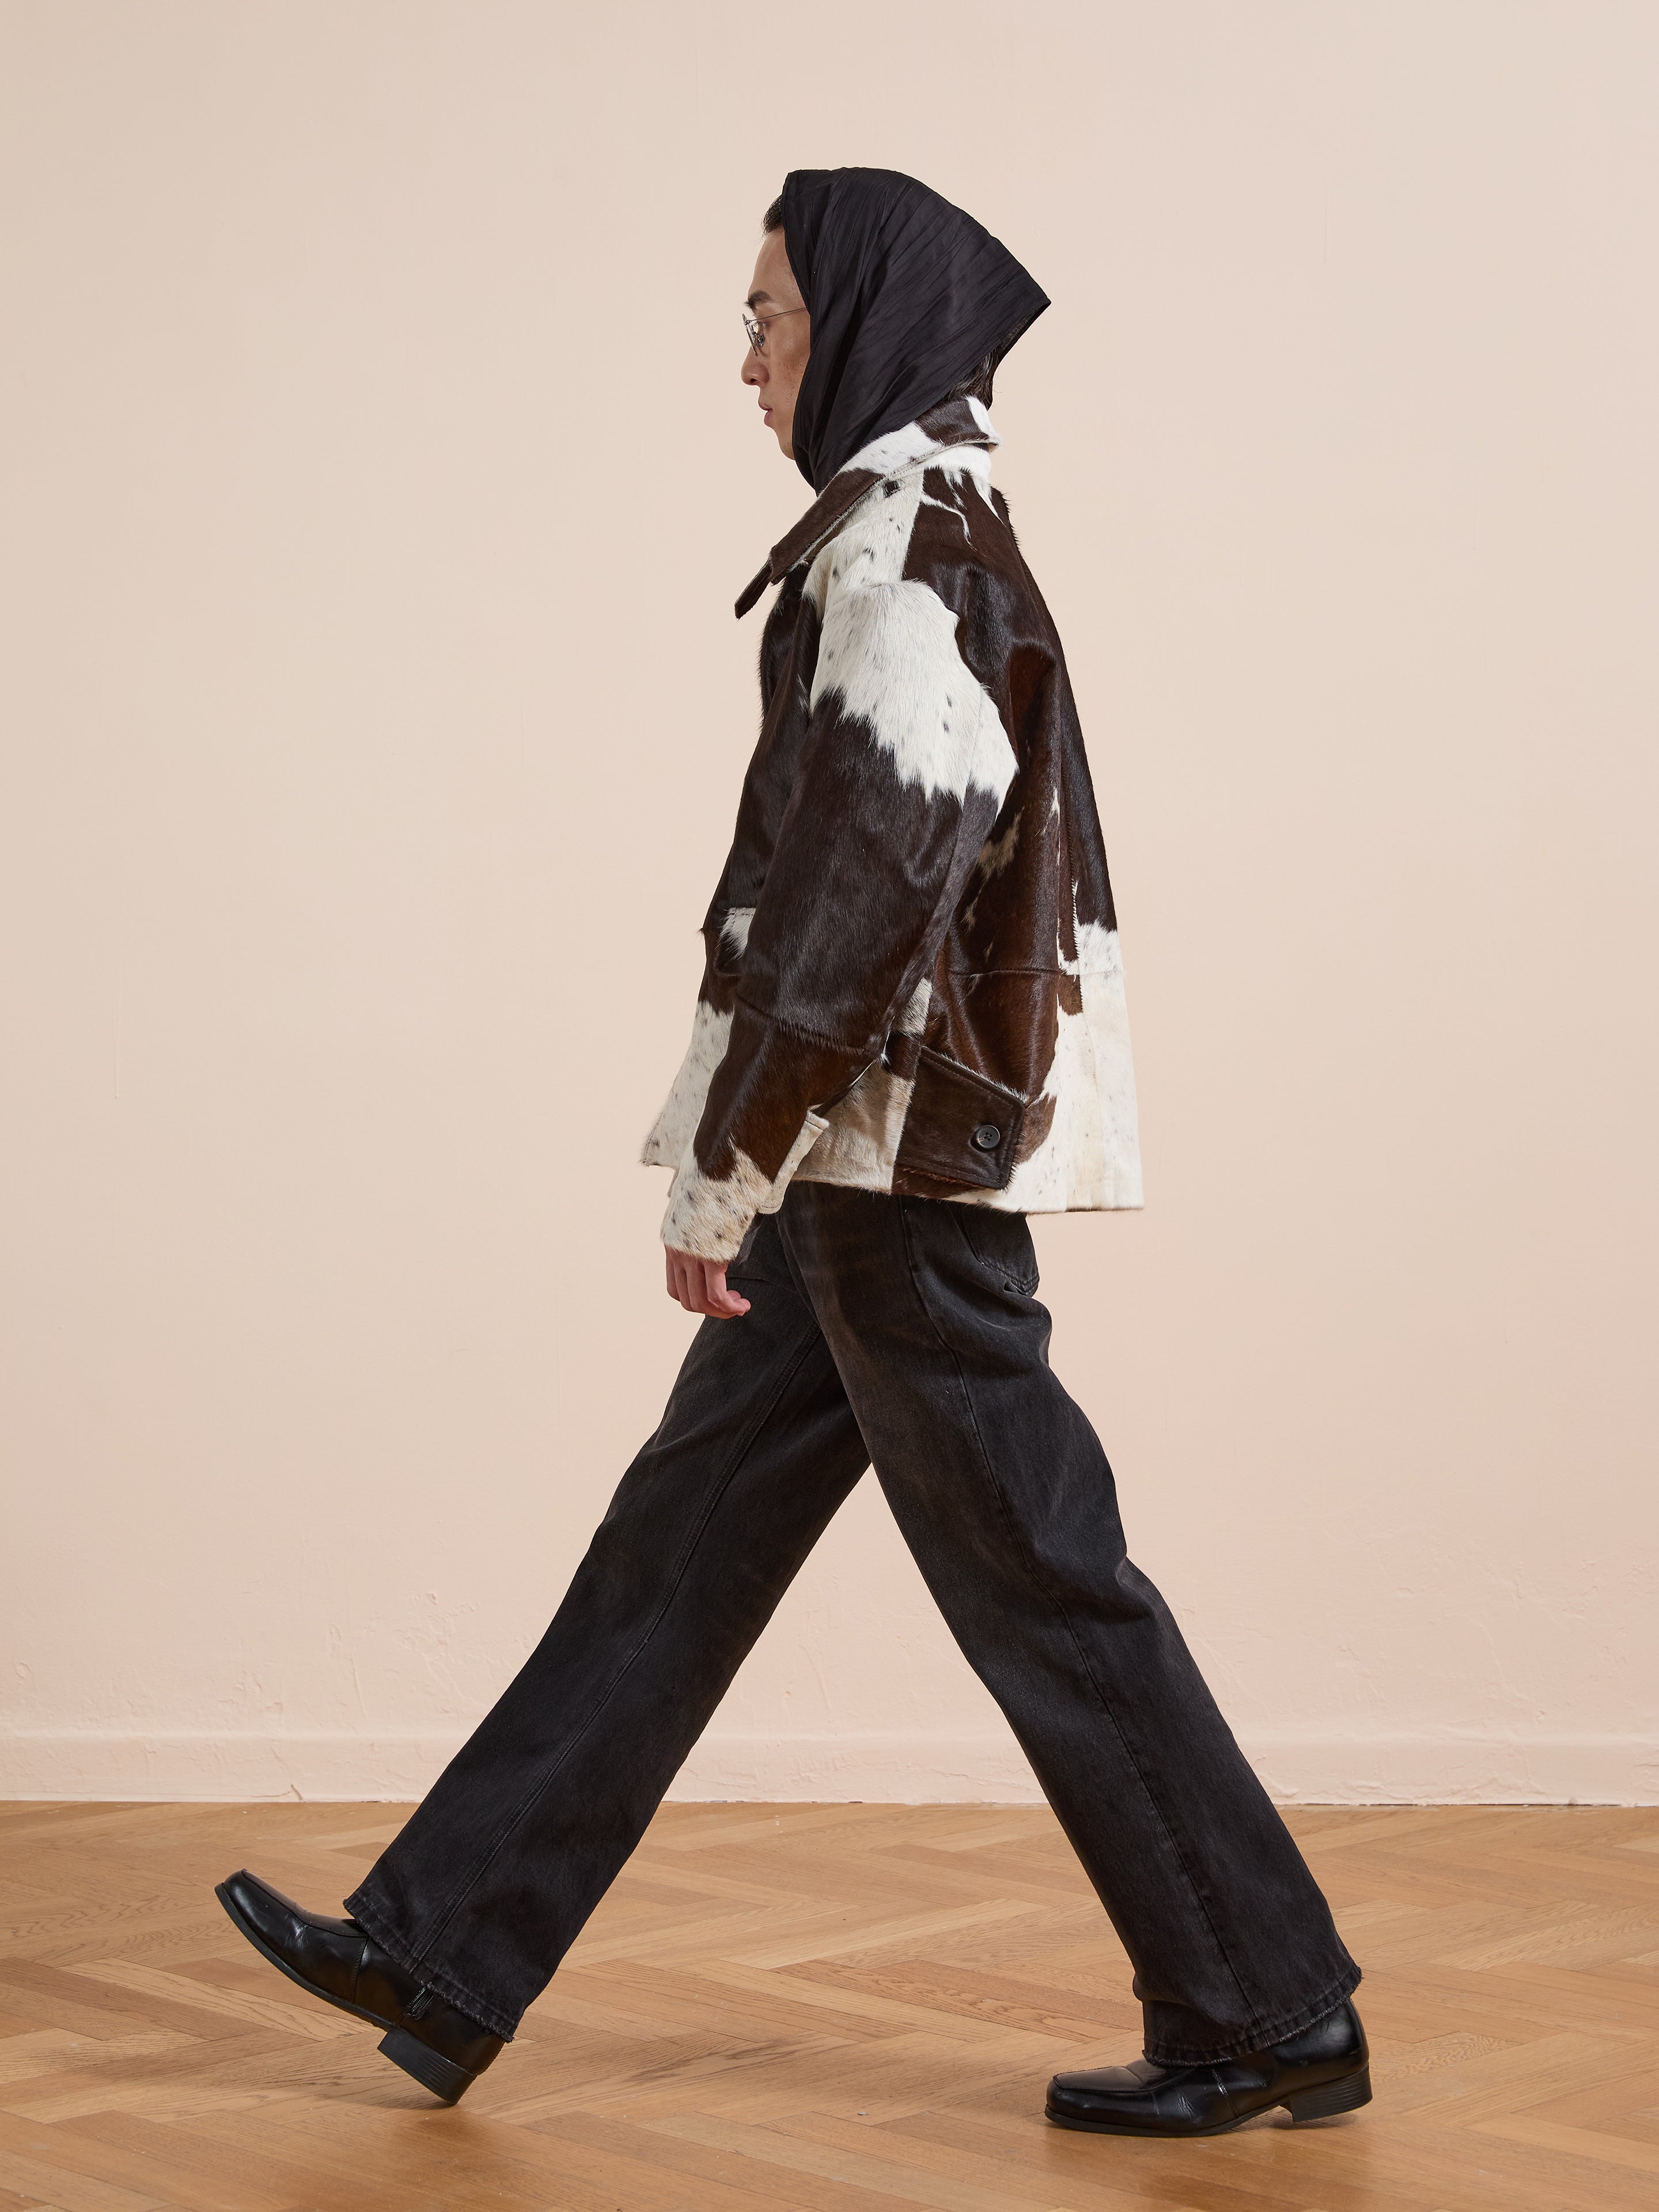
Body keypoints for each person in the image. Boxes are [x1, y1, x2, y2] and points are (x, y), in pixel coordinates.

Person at [215, 166, 1369, 2138]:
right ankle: (446, 1942)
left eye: (768, 313)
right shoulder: (916, 535)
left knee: (1043, 1575)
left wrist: (721, 1166)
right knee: (688, 1546)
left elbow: (864, 881)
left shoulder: (904, 549)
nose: (743, 356)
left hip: (886, 1178)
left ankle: (1266, 2005)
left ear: (864, 317)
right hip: (873, 1169)